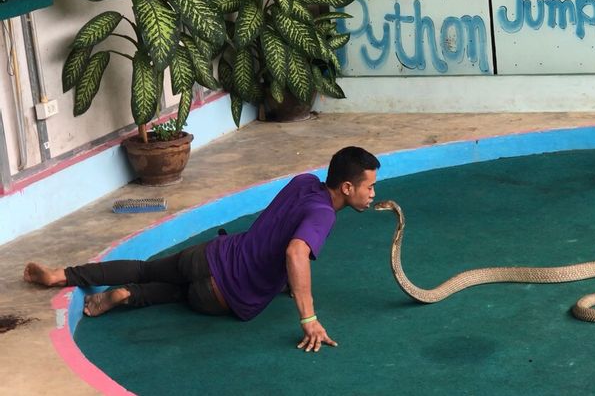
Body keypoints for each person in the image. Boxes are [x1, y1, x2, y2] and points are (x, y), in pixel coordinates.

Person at [23, 146, 380, 353]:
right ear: (347, 187)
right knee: (180, 295)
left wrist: (284, 283)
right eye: (369, 187)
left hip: (213, 255)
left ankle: (62, 275)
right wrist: (308, 317)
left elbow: (279, 232)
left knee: (146, 268)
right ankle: (127, 296)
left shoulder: (304, 183)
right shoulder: (323, 215)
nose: (373, 193)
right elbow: (294, 252)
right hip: (223, 297)